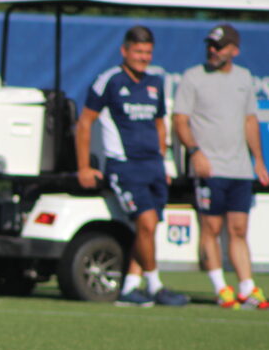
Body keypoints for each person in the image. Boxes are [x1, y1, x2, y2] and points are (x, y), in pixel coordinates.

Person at [75, 25, 188, 307]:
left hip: (153, 166)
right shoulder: (109, 81)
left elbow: (160, 124)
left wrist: (164, 162)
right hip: (125, 166)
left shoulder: (155, 82)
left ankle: (129, 288)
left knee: (147, 229)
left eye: (147, 52)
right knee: (147, 223)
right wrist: (84, 167)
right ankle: (155, 286)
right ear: (124, 51)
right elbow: (85, 123)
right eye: (137, 51)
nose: (142, 57)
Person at [173, 23, 269, 310]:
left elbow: (250, 120)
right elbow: (180, 120)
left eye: (219, 46)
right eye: (210, 46)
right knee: (211, 227)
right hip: (209, 167)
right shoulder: (193, 77)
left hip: (238, 167)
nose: (212, 51)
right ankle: (220, 288)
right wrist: (195, 153)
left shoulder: (243, 78)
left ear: (234, 50)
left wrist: (258, 160)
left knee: (239, 229)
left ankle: (247, 288)